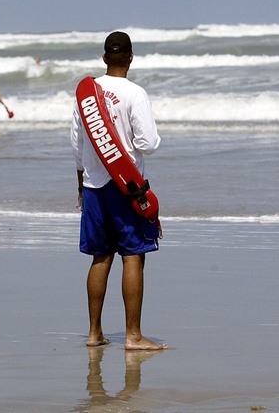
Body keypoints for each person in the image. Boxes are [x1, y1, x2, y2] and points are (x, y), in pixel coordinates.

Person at [71, 31, 167, 351]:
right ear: (130, 57)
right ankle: (133, 336)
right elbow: (148, 144)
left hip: (95, 185)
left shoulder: (87, 95)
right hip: (127, 189)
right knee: (133, 257)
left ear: (104, 58)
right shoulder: (135, 94)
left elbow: (78, 143)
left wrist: (80, 182)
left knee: (101, 257)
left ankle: (94, 333)